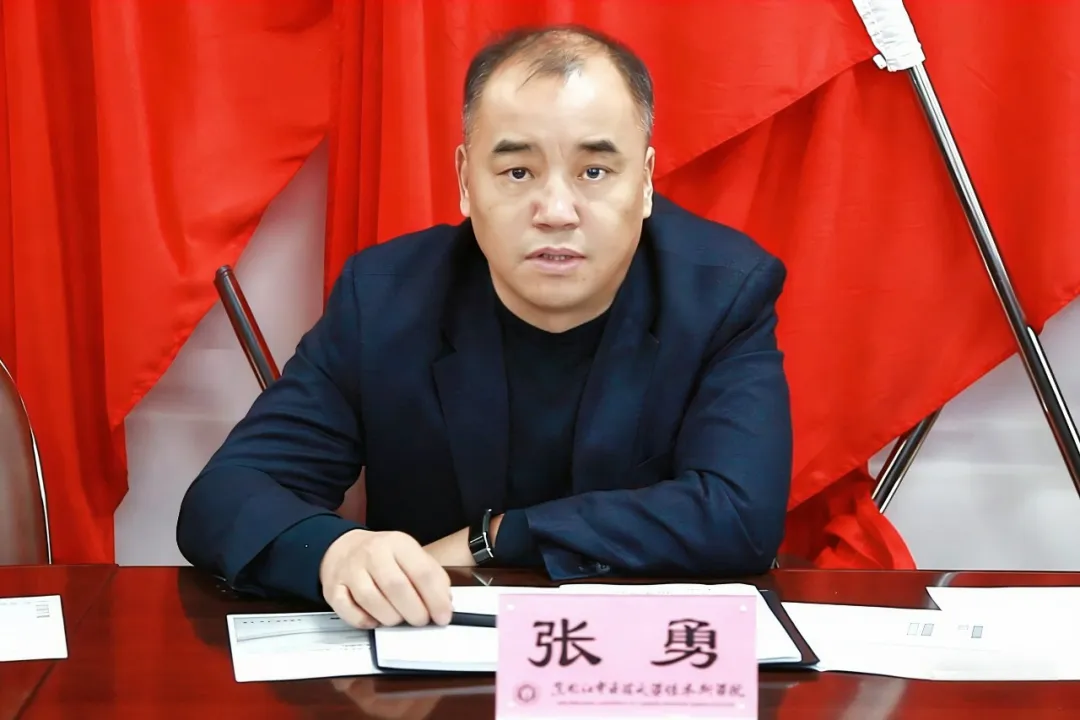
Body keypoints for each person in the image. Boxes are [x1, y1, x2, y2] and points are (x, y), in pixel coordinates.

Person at [176, 24, 793, 631]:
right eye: (518, 172)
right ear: (466, 180)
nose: (556, 212)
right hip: (435, 656)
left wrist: (494, 538)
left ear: (647, 181)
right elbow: (227, 495)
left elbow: (739, 516)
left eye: (595, 172)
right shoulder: (388, 299)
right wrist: (336, 552)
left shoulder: (721, 296)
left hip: (639, 661)